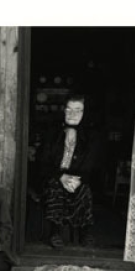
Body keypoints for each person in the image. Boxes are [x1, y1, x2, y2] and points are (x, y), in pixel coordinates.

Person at [40, 94, 100, 249]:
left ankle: (85, 232)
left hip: (80, 178)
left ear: (85, 113)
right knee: (55, 188)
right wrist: (61, 176)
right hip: (56, 176)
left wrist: (77, 180)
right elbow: (43, 162)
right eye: (69, 109)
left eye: (78, 110)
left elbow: (92, 163)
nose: (73, 114)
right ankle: (55, 232)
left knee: (84, 191)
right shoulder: (52, 133)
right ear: (63, 111)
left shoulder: (92, 135)